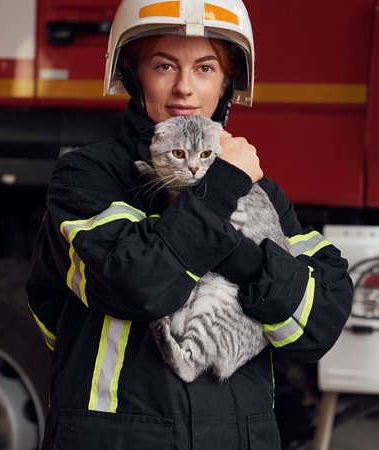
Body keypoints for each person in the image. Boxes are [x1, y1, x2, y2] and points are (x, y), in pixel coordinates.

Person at [26, 0, 353, 448]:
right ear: (132, 74)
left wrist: (245, 260)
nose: (183, 87)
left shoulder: (264, 194)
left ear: (226, 83)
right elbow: (139, 283)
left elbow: (319, 326)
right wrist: (223, 188)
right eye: (163, 66)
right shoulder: (86, 176)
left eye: (204, 68)